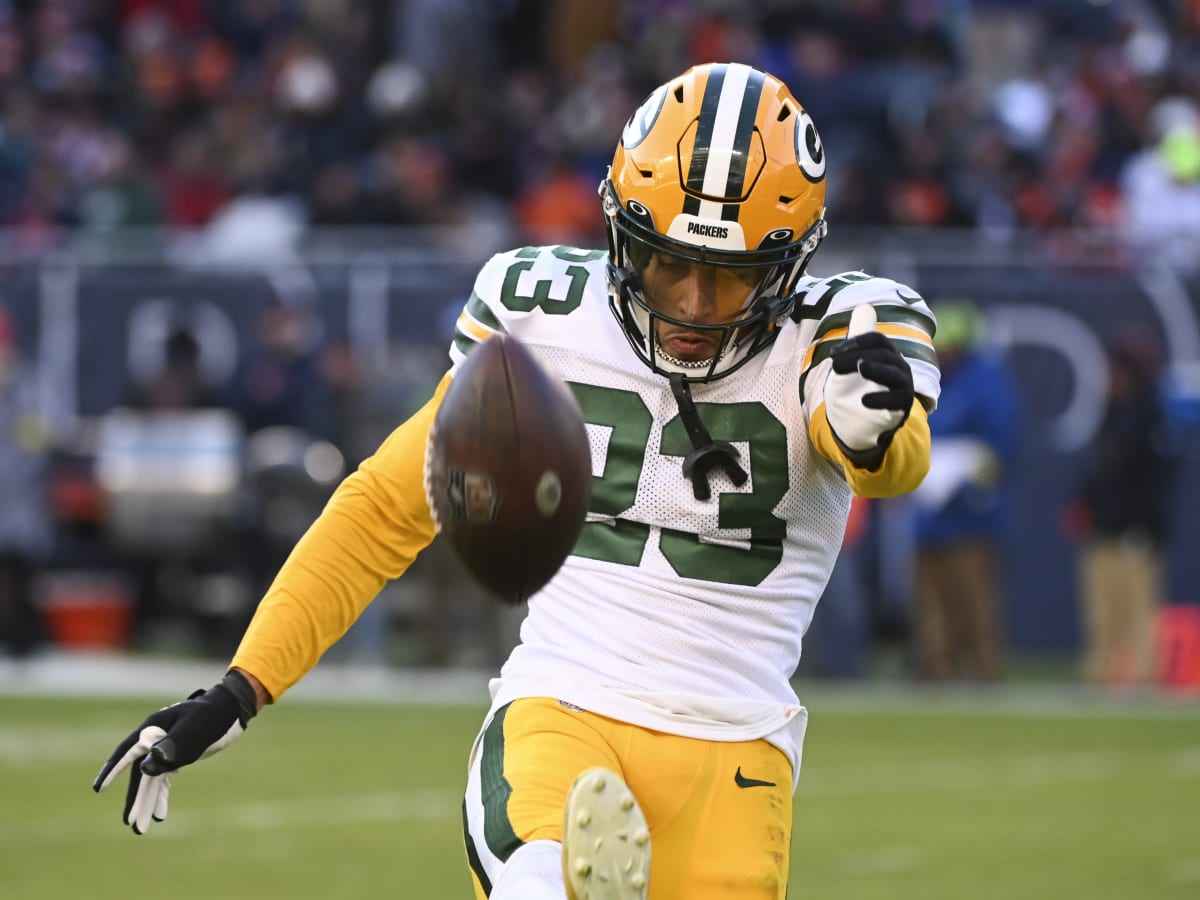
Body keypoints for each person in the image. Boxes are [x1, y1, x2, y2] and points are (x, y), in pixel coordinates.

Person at [93, 62, 941, 899]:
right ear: (618, 230)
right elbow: (386, 506)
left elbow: (884, 460)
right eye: (663, 262)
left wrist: (875, 427)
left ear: (791, 267)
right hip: (559, 710)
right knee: (537, 883)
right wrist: (242, 686)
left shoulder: (844, 330)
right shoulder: (546, 316)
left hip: (738, 749)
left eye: (731, 276)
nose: (689, 301)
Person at [1062, 326, 1180, 688]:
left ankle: (1144, 680)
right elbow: (1099, 469)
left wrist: (1143, 525)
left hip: (1136, 532)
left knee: (1138, 611)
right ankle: (1099, 676)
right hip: (1103, 528)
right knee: (1101, 611)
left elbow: (1155, 480)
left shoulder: (1152, 417)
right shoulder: (1112, 412)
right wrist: (1084, 504)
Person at [909, 299, 1020, 682]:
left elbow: (1000, 449)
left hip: (971, 517)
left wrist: (963, 477)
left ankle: (983, 672)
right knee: (931, 603)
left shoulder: (986, 384)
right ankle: (934, 670)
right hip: (928, 514)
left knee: (974, 600)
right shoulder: (929, 378)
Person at [0, 309, 54, 658]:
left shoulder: (29, 393)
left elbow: (34, 451)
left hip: (19, 505)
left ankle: (23, 641)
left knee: (18, 576)